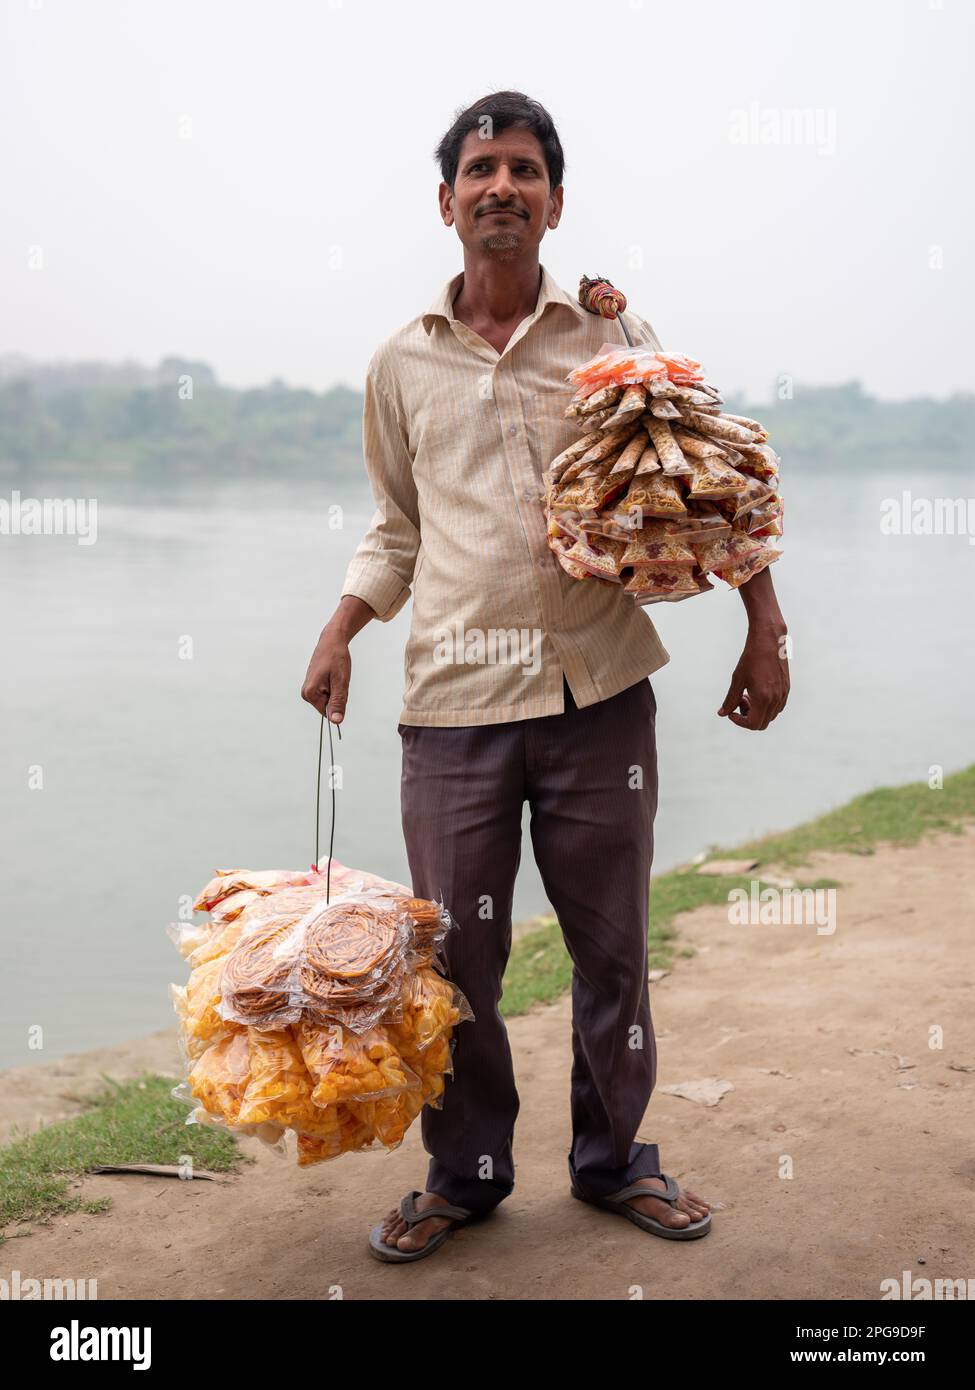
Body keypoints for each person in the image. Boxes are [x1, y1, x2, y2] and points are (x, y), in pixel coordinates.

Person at [302, 91, 790, 1263]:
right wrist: (339, 630)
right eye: (481, 170)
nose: (501, 188)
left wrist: (763, 627)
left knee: (612, 944)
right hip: (454, 708)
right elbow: (397, 531)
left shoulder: (611, 340)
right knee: (459, 958)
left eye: (524, 169)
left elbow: (704, 492)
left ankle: (615, 1160)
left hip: (599, 693)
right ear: (447, 201)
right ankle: (464, 1174)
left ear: (555, 199)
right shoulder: (400, 365)